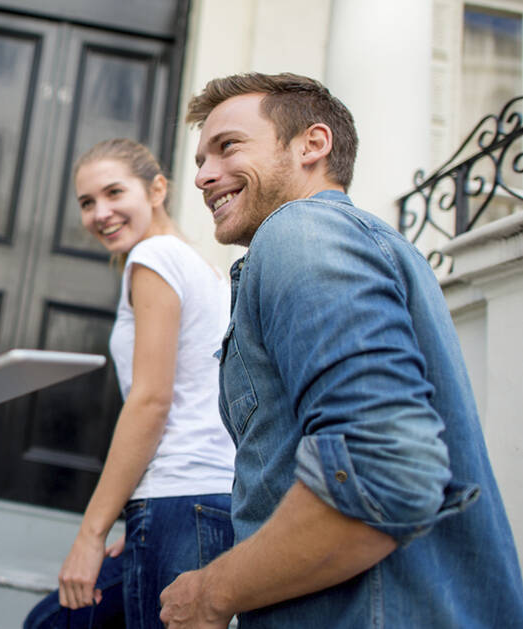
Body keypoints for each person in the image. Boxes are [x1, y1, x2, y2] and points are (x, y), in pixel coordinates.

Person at [159, 72, 523, 628]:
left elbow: (385, 470)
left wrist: (213, 592)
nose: (204, 176)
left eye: (227, 146)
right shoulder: (366, 243)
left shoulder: (302, 234)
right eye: (200, 161)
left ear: (312, 143)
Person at [23, 138, 236, 629]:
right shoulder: (203, 268)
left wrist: (92, 533)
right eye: (87, 202)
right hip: (200, 501)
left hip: (180, 496)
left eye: (114, 193)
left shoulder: (155, 258)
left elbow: (151, 400)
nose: (101, 212)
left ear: (156, 189)